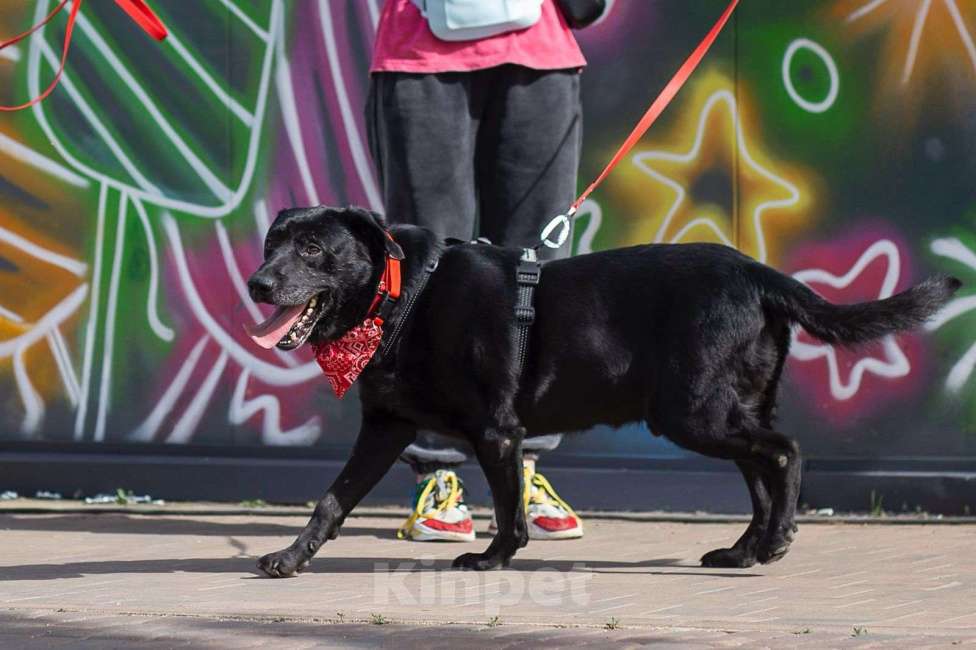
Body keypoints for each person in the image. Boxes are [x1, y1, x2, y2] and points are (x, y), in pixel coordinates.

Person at [365, 0, 593, 542]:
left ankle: (526, 465)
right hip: (420, 57)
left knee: (537, 276)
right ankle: (437, 472)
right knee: (425, 280)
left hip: (540, 56)